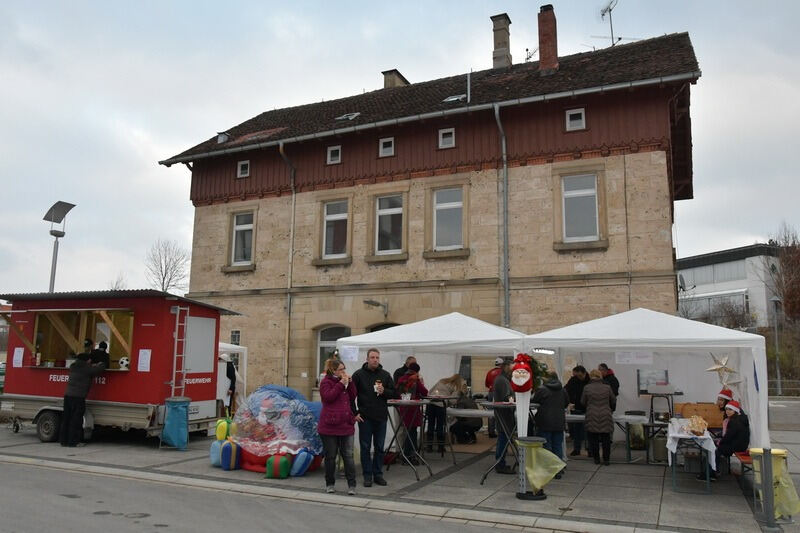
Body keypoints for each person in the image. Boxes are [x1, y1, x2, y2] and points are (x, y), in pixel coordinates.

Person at [352, 347, 396, 487]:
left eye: (377, 357)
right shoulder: (358, 375)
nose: (375, 360)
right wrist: (355, 413)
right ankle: (367, 475)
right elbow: (350, 396)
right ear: (367, 359)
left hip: (381, 416)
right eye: (372, 357)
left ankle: (378, 474)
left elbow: (395, 393)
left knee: (379, 447)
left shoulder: (385, 375)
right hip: (365, 417)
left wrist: (384, 391)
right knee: (365, 447)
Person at [318, 358, 359, 494]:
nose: (343, 372)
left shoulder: (345, 382)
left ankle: (351, 485)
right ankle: (330, 484)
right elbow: (328, 397)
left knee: (348, 455)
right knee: (330, 456)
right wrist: (341, 383)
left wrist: (351, 384)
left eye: (344, 369)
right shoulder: (326, 382)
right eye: (341, 369)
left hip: (346, 424)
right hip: (330, 425)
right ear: (333, 370)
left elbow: (353, 396)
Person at [59, 352, 106, 447]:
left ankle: (63, 441)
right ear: (88, 360)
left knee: (67, 419)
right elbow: (99, 369)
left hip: (68, 396)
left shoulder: (73, 366)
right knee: (76, 420)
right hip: (78, 397)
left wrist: (91, 365)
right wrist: (102, 363)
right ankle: (73, 442)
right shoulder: (87, 369)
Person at [699, 400, 750, 481]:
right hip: (740, 444)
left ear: (735, 411)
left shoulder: (734, 421)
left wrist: (720, 442)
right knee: (715, 448)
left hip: (737, 446)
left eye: (730, 409)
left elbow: (728, 436)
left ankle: (710, 474)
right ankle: (713, 471)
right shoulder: (739, 419)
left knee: (714, 451)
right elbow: (729, 435)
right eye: (727, 409)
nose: (727, 411)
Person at [533, 372, 570, 472]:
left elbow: (534, 401)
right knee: (557, 446)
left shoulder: (542, 390)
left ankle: (548, 468)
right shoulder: (563, 390)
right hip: (559, 421)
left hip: (545, 421)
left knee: (546, 446)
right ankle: (558, 468)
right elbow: (566, 404)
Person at [581, 369, 616, 465]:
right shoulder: (607, 387)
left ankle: (596, 459)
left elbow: (583, 402)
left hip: (592, 414)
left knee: (593, 438)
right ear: (600, 376)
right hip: (605, 413)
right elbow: (613, 400)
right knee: (606, 439)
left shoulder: (587, 388)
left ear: (591, 376)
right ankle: (606, 459)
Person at [396, 362, 428, 464]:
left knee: (407, 432)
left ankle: (406, 454)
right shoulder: (415, 379)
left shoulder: (401, 378)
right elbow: (424, 392)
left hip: (403, 408)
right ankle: (410, 455)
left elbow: (397, 391)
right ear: (417, 371)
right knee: (412, 432)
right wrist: (420, 382)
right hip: (413, 409)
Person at [426, 373, 465, 453]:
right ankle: (440, 447)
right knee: (440, 426)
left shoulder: (441, 381)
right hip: (441, 405)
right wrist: (447, 404)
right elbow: (453, 400)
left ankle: (429, 447)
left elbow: (429, 392)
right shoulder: (456, 387)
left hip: (431, 404)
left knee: (430, 425)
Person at [492, 358, 515, 474]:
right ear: (506, 367)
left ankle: (500, 462)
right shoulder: (502, 380)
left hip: (505, 414)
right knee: (503, 438)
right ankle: (500, 464)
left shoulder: (503, 379)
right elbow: (507, 398)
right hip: (503, 414)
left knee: (504, 438)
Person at [565, 365, 590, 456]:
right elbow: (566, 389)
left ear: (584, 373)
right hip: (576, 408)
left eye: (580, 376)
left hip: (587, 408)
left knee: (588, 431)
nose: (579, 378)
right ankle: (576, 449)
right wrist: (569, 401)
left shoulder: (589, 380)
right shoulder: (573, 380)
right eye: (577, 376)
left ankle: (589, 449)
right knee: (576, 430)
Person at [484, 357, 504, 438]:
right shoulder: (502, 373)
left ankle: (491, 431)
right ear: (502, 364)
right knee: (502, 412)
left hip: (491, 393)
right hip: (501, 393)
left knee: (491, 412)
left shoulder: (490, 372)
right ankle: (501, 431)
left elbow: (486, 384)